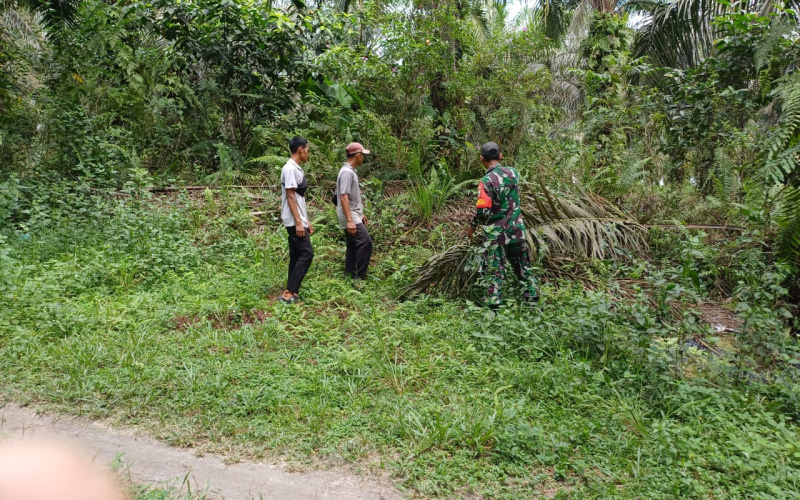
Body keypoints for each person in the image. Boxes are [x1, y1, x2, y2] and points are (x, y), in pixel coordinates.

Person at [468, 141, 539, 307]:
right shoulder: (513, 173)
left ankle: (494, 309)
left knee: (494, 272)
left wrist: (473, 225)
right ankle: (533, 302)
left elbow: (483, 210)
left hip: (496, 235)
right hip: (517, 230)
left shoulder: (485, 181)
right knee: (524, 268)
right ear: (500, 156)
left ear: (481, 159)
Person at [279, 136, 313, 304]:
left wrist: (306, 221)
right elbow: (290, 196)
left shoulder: (296, 169)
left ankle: (291, 290)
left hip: (298, 219)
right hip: (294, 220)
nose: (308, 153)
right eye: (307, 150)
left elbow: (299, 199)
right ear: (301, 149)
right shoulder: (290, 169)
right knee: (307, 253)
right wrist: (299, 222)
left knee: (297, 254)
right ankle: (289, 292)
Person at [336, 142, 373, 282]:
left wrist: (360, 213)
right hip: (349, 215)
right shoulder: (346, 173)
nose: (363, 158)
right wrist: (351, 220)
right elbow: (343, 197)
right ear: (357, 155)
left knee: (352, 245)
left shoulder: (350, 171)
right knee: (365, 243)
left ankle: (349, 274)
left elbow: (351, 197)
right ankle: (359, 277)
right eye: (362, 155)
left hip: (352, 213)